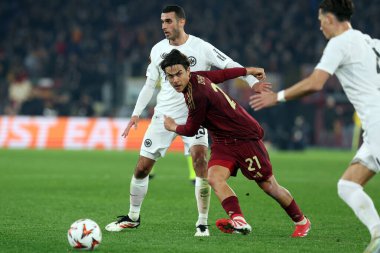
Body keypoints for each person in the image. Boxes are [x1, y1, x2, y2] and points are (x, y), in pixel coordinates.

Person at [105, 5, 269, 236]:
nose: (164, 26)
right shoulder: (157, 50)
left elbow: (228, 65)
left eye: (169, 21)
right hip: (164, 116)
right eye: (162, 22)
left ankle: (202, 223)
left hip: (197, 115)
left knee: (200, 162)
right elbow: (150, 84)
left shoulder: (200, 47)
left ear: (182, 22)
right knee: (142, 168)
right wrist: (136, 113)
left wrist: (253, 83)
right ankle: (132, 217)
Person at [250, 0, 380, 251]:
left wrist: (276, 97)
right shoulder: (371, 43)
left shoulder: (339, 43)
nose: (320, 28)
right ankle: (377, 234)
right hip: (373, 129)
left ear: (330, 19)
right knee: (348, 185)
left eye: (321, 22)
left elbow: (315, 83)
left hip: (377, 124)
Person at [162, 49, 311, 237]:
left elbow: (191, 129)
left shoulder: (196, 95)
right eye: (170, 76)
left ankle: (302, 221)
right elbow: (222, 74)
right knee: (214, 178)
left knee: (268, 185)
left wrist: (173, 126)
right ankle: (238, 220)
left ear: (188, 70)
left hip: (243, 137)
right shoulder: (196, 78)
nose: (175, 80)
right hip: (223, 141)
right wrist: (247, 71)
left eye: (178, 74)